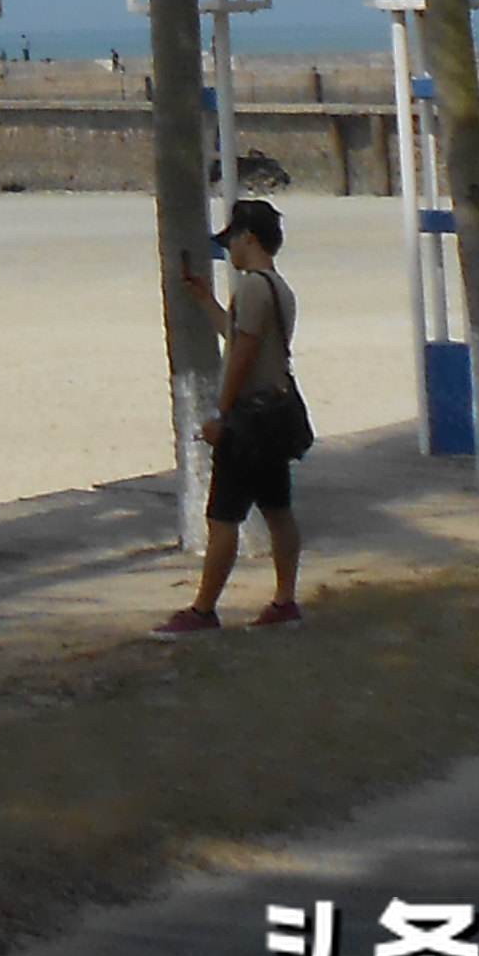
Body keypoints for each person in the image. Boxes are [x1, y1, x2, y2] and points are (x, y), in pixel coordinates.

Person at [160, 199, 310, 633]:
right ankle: (284, 601)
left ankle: (204, 610)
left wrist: (222, 416)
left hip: (249, 418)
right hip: (275, 413)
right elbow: (243, 335)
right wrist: (206, 300)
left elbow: (242, 353)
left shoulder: (250, 288)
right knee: (278, 509)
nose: (229, 250)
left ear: (249, 237)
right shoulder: (278, 288)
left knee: (222, 517)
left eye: (232, 240)